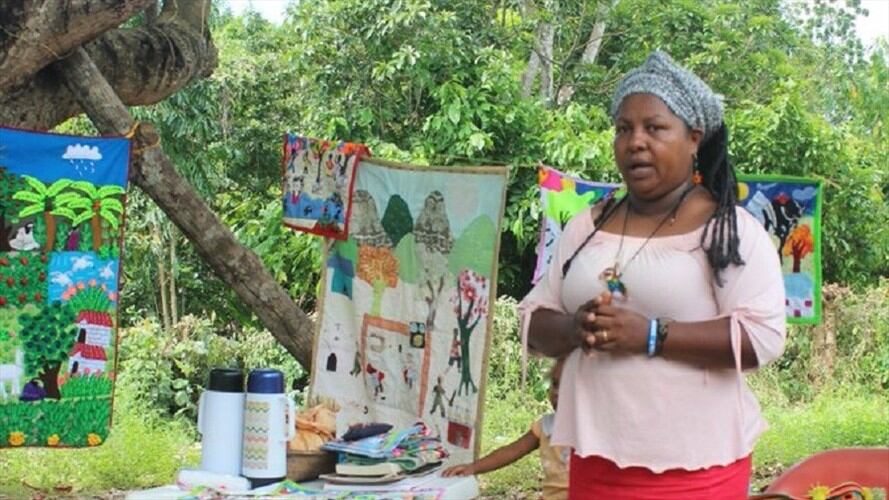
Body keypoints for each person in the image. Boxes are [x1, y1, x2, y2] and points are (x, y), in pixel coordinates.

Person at [519, 51, 786, 499]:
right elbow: (532, 319)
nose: (635, 142)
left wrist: (651, 335)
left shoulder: (730, 232)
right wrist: (573, 326)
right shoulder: (587, 227)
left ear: (694, 139)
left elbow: (760, 337)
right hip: (594, 459)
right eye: (624, 129)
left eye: (655, 128)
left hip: (697, 467)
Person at [443, 357, 569, 500]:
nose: (557, 392)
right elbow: (511, 451)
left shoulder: (595, 431)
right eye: (555, 384)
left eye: (568, 386)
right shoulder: (546, 426)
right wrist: (472, 468)